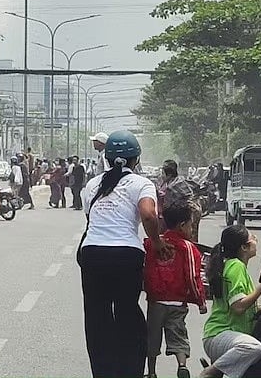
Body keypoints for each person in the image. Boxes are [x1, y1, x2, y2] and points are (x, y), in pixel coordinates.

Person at [78, 130, 171, 378]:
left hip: (93, 255)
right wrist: (158, 242)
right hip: (126, 256)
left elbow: (91, 216)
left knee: (97, 318)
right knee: (127, 312)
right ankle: (130, 371)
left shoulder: (92, 184)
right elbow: (149, 215)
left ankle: (103, 372)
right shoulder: (141, 184)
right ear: (136, 160)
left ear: (107, 158)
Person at [200, 224, 261, 378]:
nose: (256, 240)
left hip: (226, 336)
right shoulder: (236, 267)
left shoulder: (234, 266)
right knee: (254, 347)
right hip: (222, 333)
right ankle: (210, 372)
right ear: (244, 248)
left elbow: (245, 306)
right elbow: (238, 307)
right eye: (252, 238)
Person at [144, 204, 207, 378]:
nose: (191, 229)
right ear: (182, 225)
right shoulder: (187, 247)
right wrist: (200, 301)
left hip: (156, 301)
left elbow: (146, 270)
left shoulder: (152, 244)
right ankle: (182, 366)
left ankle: (151, 372)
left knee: (152, 336)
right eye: (190, 225)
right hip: (177, 302)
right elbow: (193, 277)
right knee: (178, 334)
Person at [159, 159, 201, 242]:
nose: (161, 176)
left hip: (189, 212)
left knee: (187, 238)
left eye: (163, 173)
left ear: (169, 174)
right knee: (192, 236)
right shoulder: (181, 179)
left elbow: (167, 209)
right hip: (195, 209)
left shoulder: (171, 187)